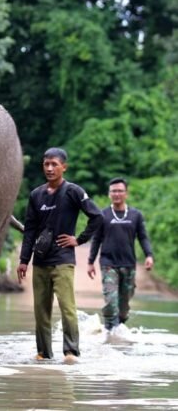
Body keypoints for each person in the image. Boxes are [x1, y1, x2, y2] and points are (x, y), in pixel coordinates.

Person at [17, 147, 102, 364]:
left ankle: (71, 352)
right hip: (41, 261)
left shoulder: (73, 191)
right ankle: (44, 353)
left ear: (64, 167)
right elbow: (30, 231)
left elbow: (97, 217)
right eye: (46, 164)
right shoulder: (36, 195)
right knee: (41, 311)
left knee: (67, 308)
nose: (50, 168)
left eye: (54, 164)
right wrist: (24, 260)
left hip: (63, 261)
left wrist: (79, 239)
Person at [87, 177, 154, 335]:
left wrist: (149, 255)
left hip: (128, 264)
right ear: (109, 194)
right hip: (108, 264)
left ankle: (116, 328)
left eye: (120, 191)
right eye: (113, 191)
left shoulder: (135, 215)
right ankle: (110, 332)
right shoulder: (102, 215)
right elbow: (96, 239)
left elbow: (143, 237)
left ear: (126, 193)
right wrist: (90, 262)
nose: (117, 194)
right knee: (111, 301)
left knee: (123, 307)